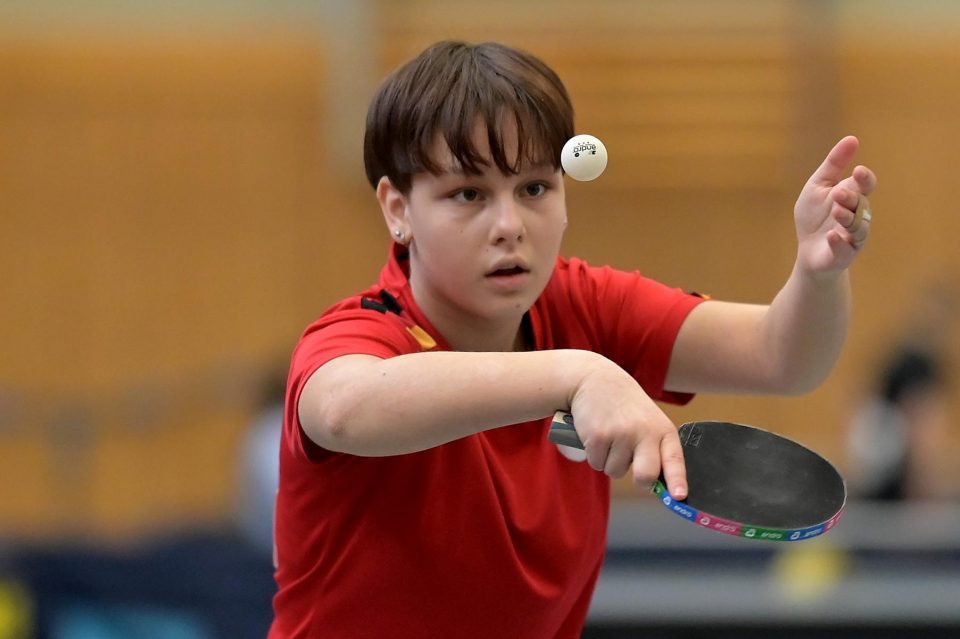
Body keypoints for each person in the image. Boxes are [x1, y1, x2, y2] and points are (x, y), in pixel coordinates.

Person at [269, 40, 876, 638]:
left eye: (534, 188)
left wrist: (818, 277)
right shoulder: (364, 334)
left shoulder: (583, 306)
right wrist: (580, 376)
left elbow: (782, 358)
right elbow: (343, 409)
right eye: (468, 194)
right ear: (397, 209)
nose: (509, 226)